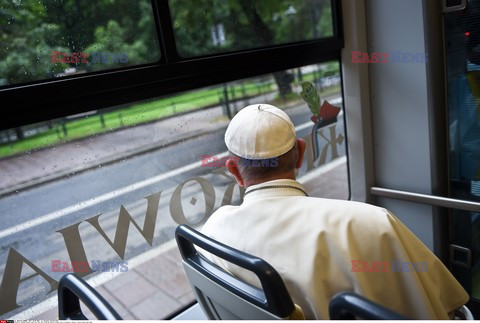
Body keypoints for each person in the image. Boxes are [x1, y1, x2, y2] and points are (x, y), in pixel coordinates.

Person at [200, 103, 469, 319]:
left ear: (234, 170)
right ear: (301, 153)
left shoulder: (211, 233)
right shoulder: (371, 223)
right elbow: (439, 310)